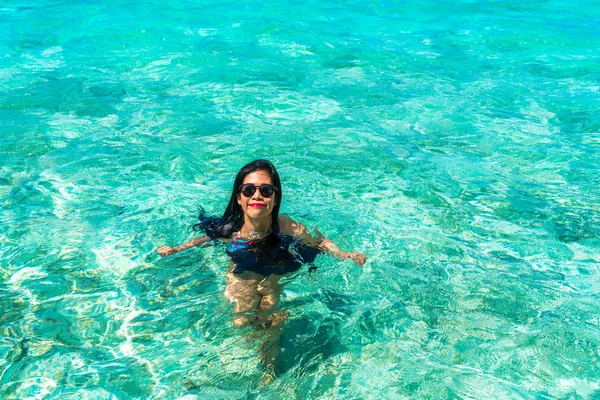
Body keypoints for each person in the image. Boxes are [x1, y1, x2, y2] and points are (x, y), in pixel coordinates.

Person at [157, 159, 366, 379]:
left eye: (266, 190)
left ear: (275, 199)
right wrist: (176, 249)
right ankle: (246, 355)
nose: (257, 196)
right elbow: (205, 239)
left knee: (269, 313)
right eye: (248, 190)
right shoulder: (232, 230)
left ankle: (269, 368)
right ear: (239, 198)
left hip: (276, 264)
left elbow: (319, 240)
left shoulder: (285, 225)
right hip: (243, 264)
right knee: (241, 321)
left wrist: (344, 255)